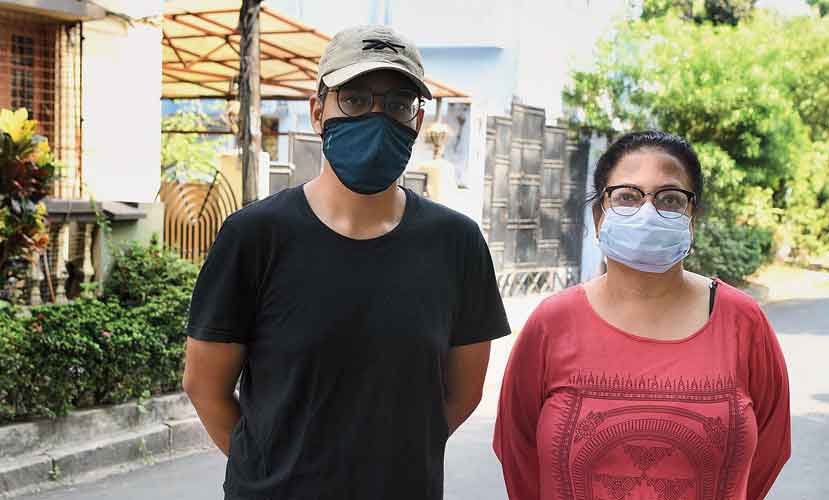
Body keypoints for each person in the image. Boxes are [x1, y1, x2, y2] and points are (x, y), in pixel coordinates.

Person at [182, 25, 510, 500]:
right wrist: (269, 473)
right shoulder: (254, 236)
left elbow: (463, 395)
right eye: (355, 100)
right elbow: (204, 385)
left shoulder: (456, 243)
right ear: (319, 113)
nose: (377, 117)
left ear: (417, 123)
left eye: (397, 104)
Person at [494, 131, 790, 500]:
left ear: (691, 215)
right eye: (627, 197)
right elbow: (518, 453)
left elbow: (770, 449)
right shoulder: (551, 324)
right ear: (599, 214)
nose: (647, 212)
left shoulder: (742, 321)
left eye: (669, 198)